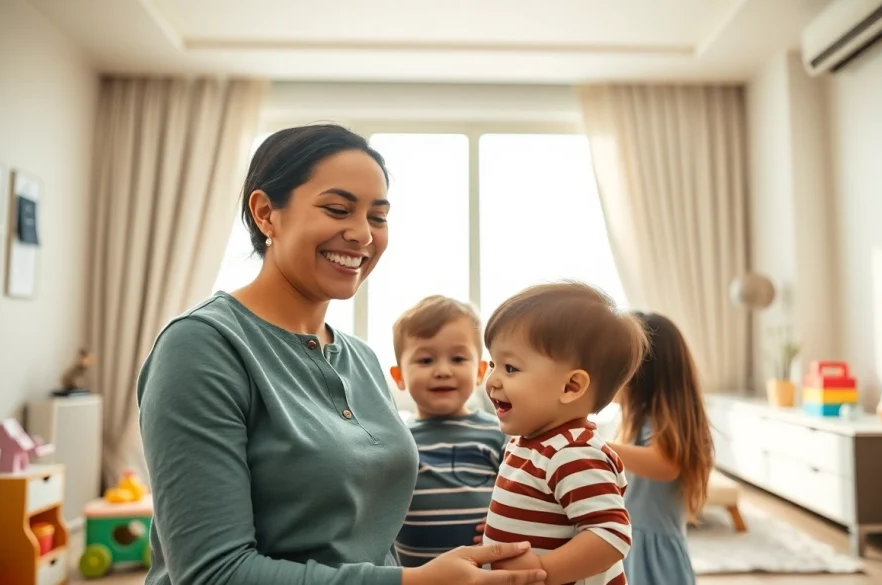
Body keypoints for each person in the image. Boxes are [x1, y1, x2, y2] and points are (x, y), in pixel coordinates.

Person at [136, 124, 548, 585]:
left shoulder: (362, 360)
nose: (362, 234)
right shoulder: (201, 347)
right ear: (266, 213)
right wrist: (414, 582)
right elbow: (213, 574)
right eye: (337, 209)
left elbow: (369, 539)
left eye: (378, 217)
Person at [481, 282, 648, 585]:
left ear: (571, 387)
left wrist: (542, 571)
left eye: (510, 368)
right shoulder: (527, 443)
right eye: (493, 364)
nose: (492, 380)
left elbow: (611, 535)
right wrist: (504, 526)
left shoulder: (572, 454)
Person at [389, 295, 508, 566]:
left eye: (457, 358)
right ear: (399, 376)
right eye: (425, 360)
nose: (443, 371)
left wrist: (509, 517)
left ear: (480, 372)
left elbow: (529, 493)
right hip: (419, 576)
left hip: (484, 574)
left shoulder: (498, 433)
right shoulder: (396, 439)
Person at [608, 312, 714, 585]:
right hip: (637, 544)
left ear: (641, 375)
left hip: (654, 556)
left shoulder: (658, 422)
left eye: (614, 367)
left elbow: (666, 464)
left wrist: (600, 446)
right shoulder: (639, 420)